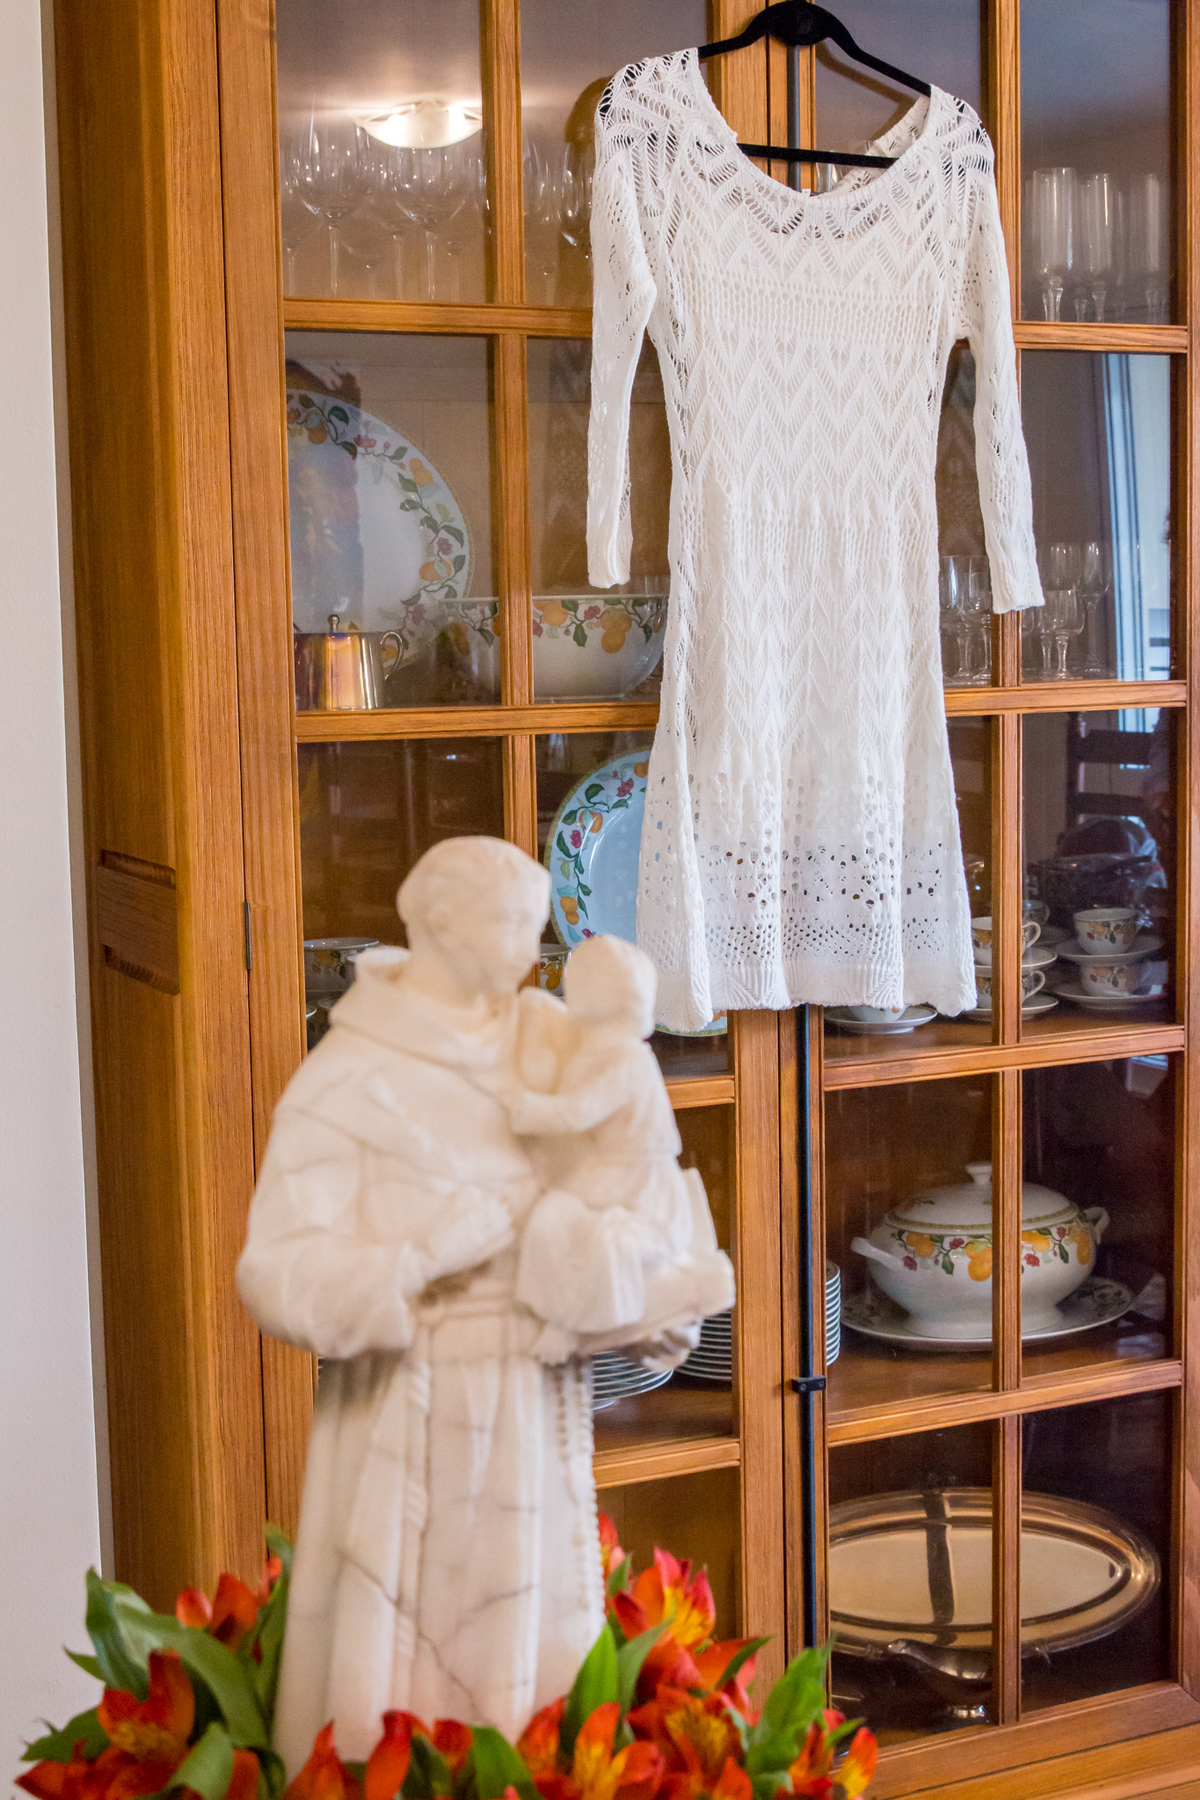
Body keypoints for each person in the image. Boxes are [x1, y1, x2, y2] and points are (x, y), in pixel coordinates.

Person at [236, 838, 722, 1772]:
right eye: (509, 925)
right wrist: (419, 1257)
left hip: (535, 1418)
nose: (527, 951)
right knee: (402, 1724)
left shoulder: (554, 1042)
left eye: (534, 929)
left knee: (545, 1718)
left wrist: (654, 1290)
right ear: (436, 923)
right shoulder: (352, 1078)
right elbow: (277, 1269)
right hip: (407, 1427)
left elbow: (639, 1190)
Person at [499, 935, 734, 1343]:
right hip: (610, 1170)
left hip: (638, 1179)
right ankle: (551, 1315)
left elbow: (576, 1112)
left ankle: (581, 1324)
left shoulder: (626, 1058)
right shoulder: (595, 1050)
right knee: (549, 1218)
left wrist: (519, 1107)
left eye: (579, 985)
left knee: (585, 1231)